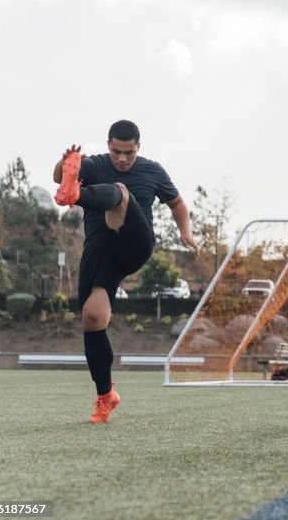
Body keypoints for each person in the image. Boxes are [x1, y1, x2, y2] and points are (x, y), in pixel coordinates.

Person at [53, 120, 199, 423]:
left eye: (128, 153)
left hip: (135, 242)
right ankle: (106, 397)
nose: (122, 158)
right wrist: (65, 163)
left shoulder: (152, 170)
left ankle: (74, 196)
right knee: (93, 318)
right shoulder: (93, 164)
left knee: (120, 192)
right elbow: (56, 176)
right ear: (108, 145)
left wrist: (185, 232)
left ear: (138, 148)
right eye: (117, 152)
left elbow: (177, 203)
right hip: (101, 249)